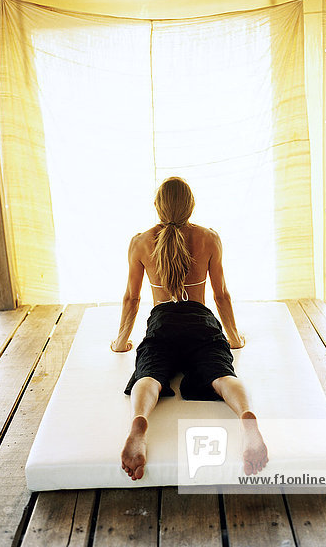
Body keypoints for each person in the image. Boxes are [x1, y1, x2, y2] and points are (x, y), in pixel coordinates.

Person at [110, 177, 268, 481]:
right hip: (201, 324)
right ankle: (246, 417)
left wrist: (120, 342)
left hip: (162, 325)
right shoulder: (209, 238)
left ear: (157, 206)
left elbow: (132, 298)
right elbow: (221, 295)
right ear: (191, 205)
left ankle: (140, 421)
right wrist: (234, 338)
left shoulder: (140, 241)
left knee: (149, 375)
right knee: (222, 374)